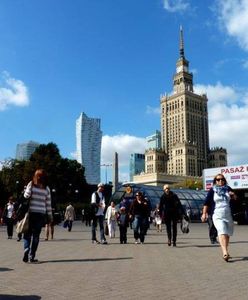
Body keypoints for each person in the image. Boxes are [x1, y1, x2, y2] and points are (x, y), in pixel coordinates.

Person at [201, 174, 237, 262]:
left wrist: (233, 195)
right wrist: (204, 213)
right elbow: (206, 203)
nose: (220, 181)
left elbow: (235, 199)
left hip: (228, 214)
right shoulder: (212, 190)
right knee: (222, 231)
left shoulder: (228, 188)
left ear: (224, 180)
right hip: (217, 214)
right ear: (215, 181)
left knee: (227, 234)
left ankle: (226, 251)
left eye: (222, 179)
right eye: (218, 180)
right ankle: (224, 252)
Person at [22, 169, 53, 263]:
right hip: (41, 214)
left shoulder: (31, 184)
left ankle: (26, 248)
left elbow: (26, 196)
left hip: (31, 213)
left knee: (27, 234)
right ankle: (32, 256)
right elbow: (48, 204)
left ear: (35, 176)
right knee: (36, 235)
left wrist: (25, 190)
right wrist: (50, 216)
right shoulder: (46, 188)